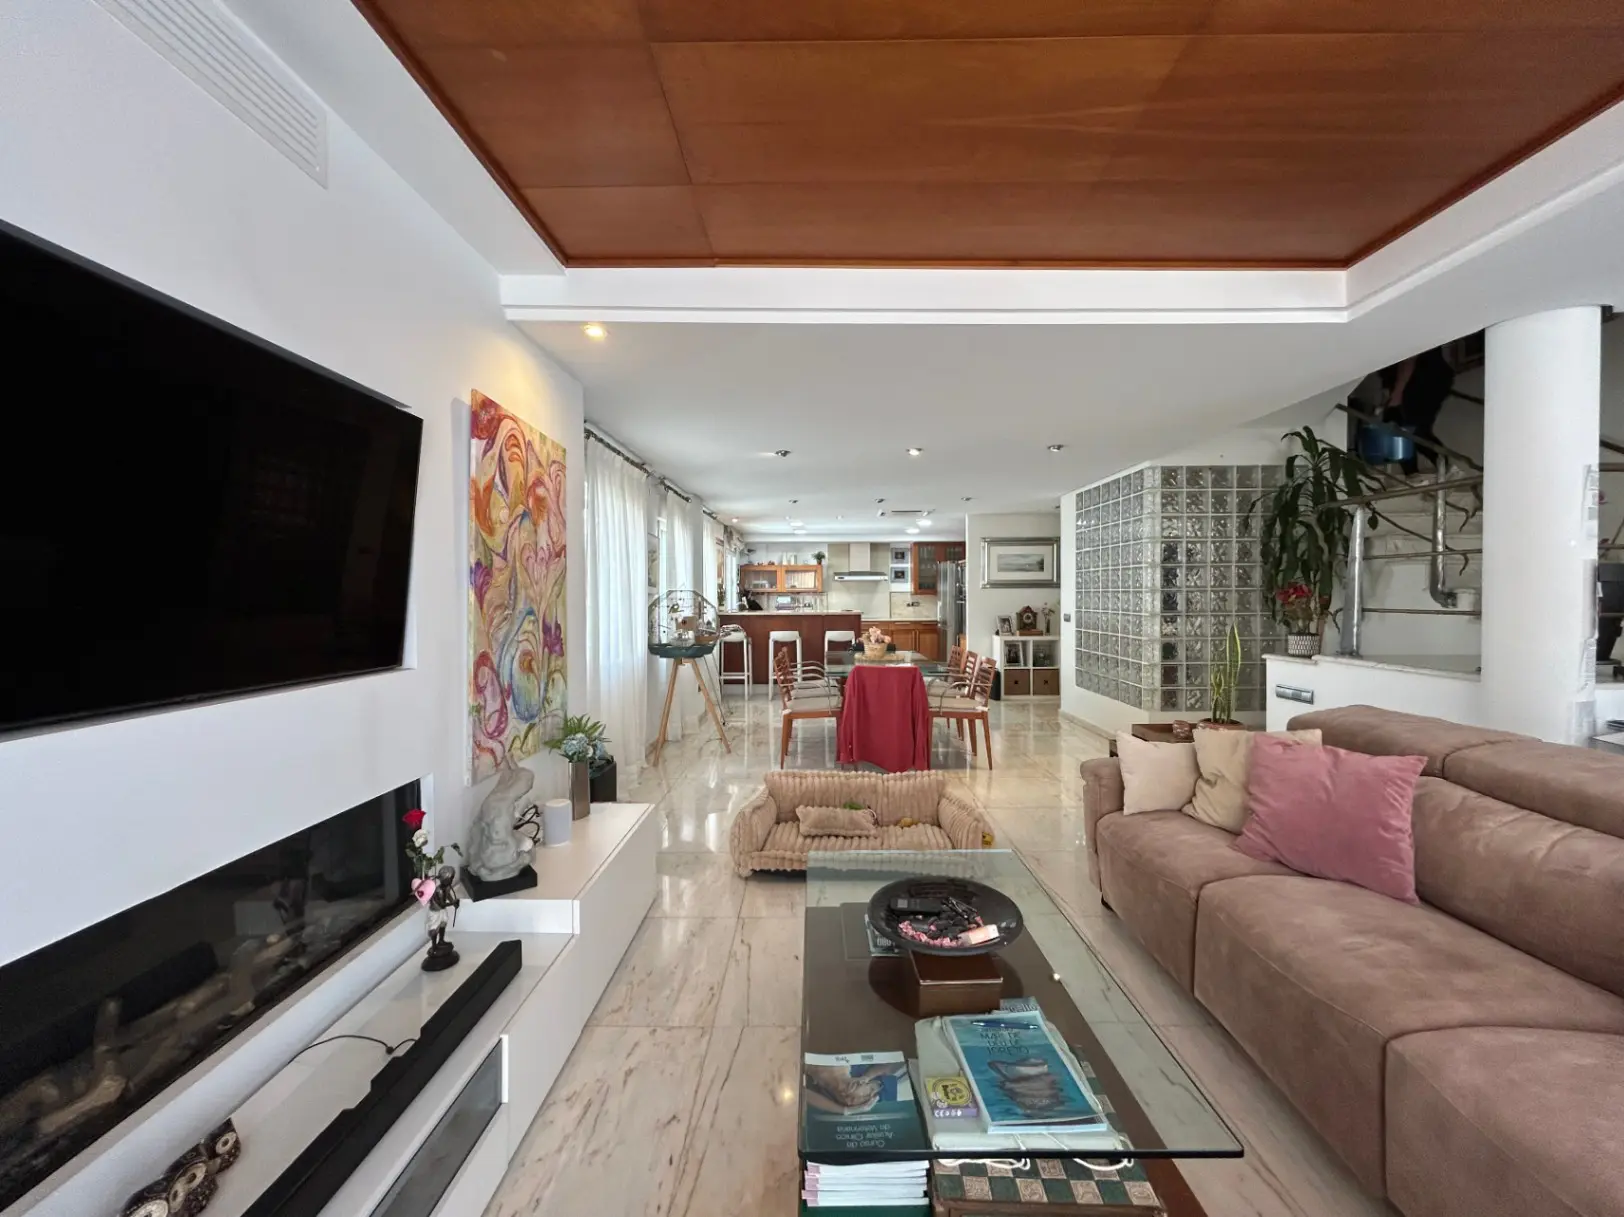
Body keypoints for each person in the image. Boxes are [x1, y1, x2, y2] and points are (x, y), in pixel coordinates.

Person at [1380, 346, 1456, 477]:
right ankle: (1417, 472)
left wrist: (1398, 392)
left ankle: (1442, 467)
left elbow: (1409, 358)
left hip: (1422, 378)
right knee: (1403, 427)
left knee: (1409, 427)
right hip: (1423, 377)